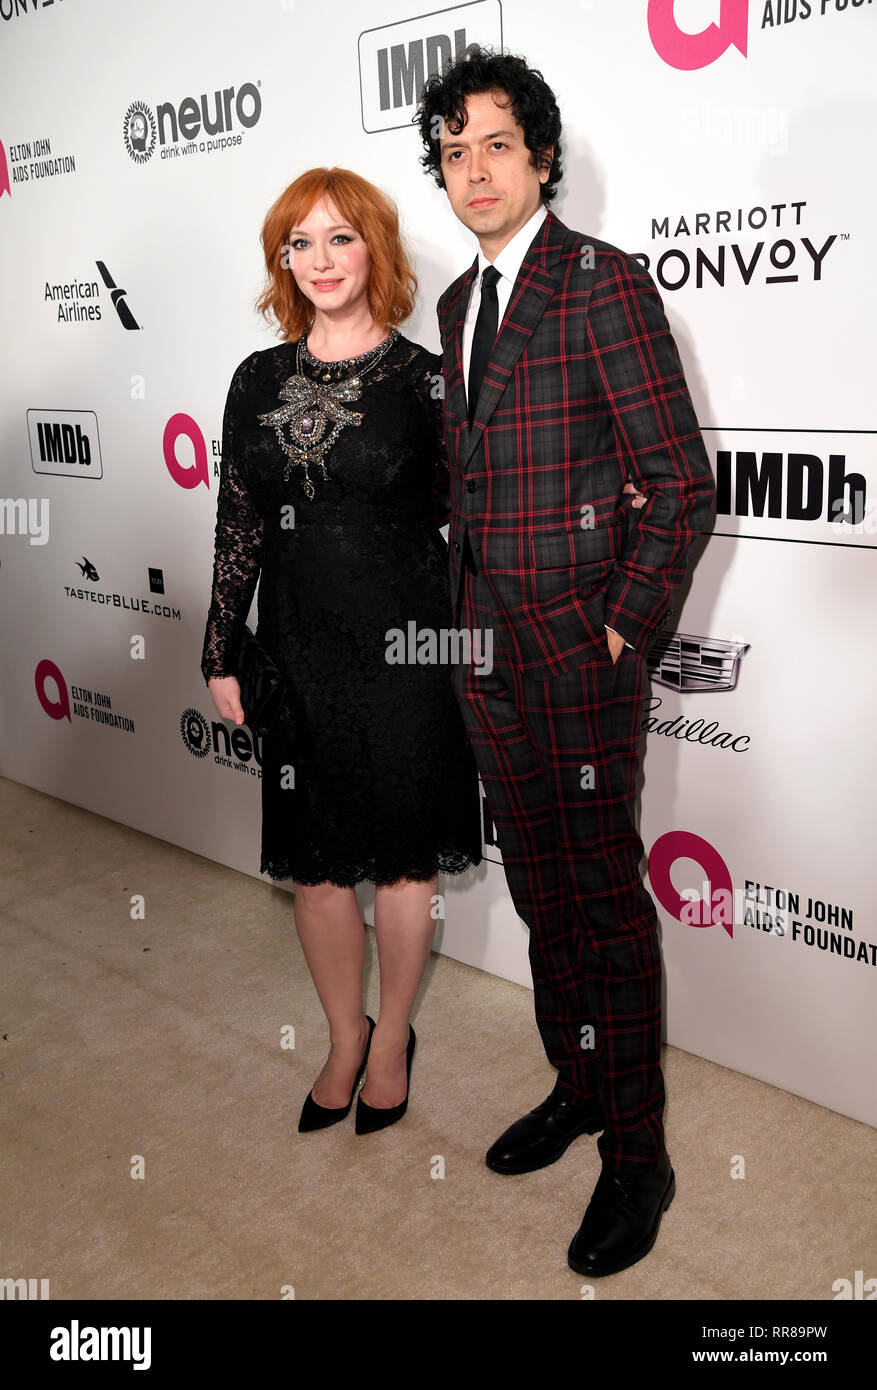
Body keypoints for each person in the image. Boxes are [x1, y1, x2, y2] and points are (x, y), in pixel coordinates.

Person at [415, 49, 716, 1275]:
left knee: (598, 898)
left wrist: (619, 629)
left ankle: (638, 1152)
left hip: (578, 658)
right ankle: (580, 1083)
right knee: (539, 890)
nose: (472, 170)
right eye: (450, 153)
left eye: (493, 145)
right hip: (483, 652)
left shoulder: (601, 285)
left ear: (539, 155)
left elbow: (679, 484)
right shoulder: (452, 308)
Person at [200, 167, 482, 1136]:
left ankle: (395, 1034)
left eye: (338, 238)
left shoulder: (426, 379)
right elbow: (237, 521)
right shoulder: (256, 378)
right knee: (316, 865)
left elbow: (464, 517)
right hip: (298, 646)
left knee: (404, 862)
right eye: (298, 243)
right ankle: (342, 1033)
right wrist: (220, 650)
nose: (318, 261)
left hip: (407, 645)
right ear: (283, 261)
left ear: (375, 249)